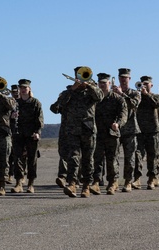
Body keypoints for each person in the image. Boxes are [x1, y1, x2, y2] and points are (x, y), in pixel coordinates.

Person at [58, 67, 104, 197]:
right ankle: (72, 184)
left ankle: (86, 186)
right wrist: (73, 88)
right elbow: (59, 104)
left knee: (88, 159)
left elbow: (99, 97)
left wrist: (88, 85)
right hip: (73, 130)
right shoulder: (69, 91)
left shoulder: (92, 90)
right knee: (73, 157)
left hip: (88, 129)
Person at [92, 73, 127, 194]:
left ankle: (113, 182)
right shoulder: (95, 98)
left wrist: (118, 123)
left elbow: (123, 114)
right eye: (100, 83)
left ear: (109, 84)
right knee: (97, 159)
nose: (102, 85)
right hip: (98, 134)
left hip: (112, 134)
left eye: (104, 83)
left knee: (112, 160)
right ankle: (96, 182)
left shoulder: (117, 99)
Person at [12, 80, 43, 193]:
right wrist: (12, 116)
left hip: (31, 135)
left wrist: (37, 132)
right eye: (21, 87)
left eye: (25, 87)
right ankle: (19, 182)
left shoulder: (35, 103)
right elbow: (9, 118)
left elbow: (39, 119)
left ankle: (31, 183)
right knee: (18, 159)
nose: (23, 89)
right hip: (18, 134)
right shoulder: (15, 103)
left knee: (32, 159)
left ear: (29, 89)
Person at [115, 69, 141, 192]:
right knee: (113, 156)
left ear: (129, 79)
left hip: (130, 130)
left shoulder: (135, 93)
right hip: (116, 129)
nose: (123, 80)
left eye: (125, 78)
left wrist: (121, 94)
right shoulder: (114, 93)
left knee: (129, 157)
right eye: (121, 77)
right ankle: (113, 180)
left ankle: (128, 181)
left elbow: (134, 104)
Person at [135, 76, 159, 190]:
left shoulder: (156, 96)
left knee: (152, 155)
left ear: (151, 85)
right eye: (143, 84)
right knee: (137, 154)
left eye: (147, 84)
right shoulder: (138, 96)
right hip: (140, 130)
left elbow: (156, 104)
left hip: (152, 130)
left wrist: (147, 94)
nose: (144, 85)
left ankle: (152, 178)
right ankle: (136, 178)